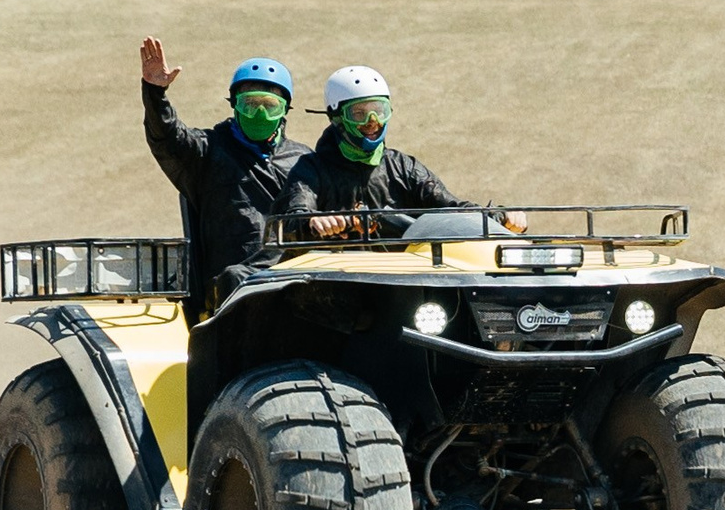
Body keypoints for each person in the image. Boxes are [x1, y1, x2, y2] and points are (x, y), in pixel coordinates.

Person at [139, 37, 310, 317]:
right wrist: (155, 93)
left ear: (285, 110)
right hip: (228, 296)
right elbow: (166, 138)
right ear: (234, 105)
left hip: (294, 290)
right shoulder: (206, 152)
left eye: (270, 105)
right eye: (250, 104)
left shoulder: (303, 161)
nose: (260, 114)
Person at [280, 66, 475, 241]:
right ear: (337, 118)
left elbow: (452, 208)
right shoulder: (311, 169)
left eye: (378, 111)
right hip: (335, 276)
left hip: (399, 276)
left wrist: (497, 217)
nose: (372, 122)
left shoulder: (404, 167)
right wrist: (312, 222)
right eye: (358, 113)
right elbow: (292, 221)